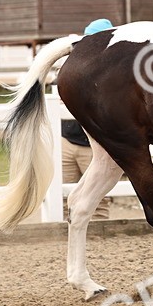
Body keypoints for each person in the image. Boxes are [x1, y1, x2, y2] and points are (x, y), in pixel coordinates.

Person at [60, 18, 114, 220]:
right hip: (68, 140)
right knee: (66, 197)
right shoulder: (76, 65)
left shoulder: (113, 71)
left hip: (94, 146)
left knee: (97, 199)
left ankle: (99, 237)